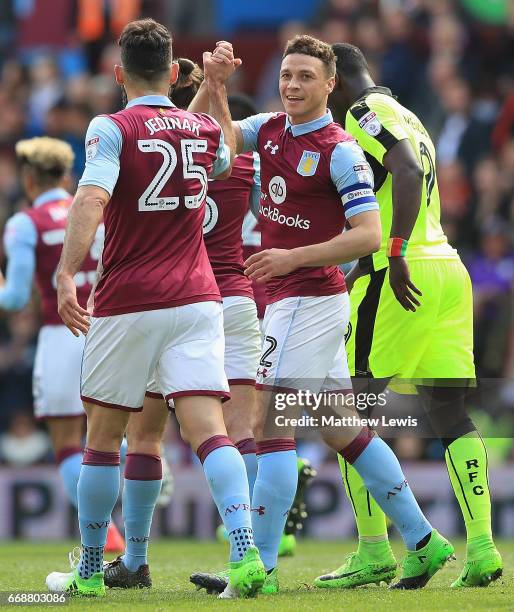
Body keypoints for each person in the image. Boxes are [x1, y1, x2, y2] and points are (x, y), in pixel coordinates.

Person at [189, 34, 454, 593]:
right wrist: (215, 85)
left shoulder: (340, 149)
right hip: (296, 300)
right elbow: (220, 145)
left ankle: (258, 567)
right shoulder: (268, 129)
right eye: (287, 75)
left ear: (330, 85)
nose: (292, 85)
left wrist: (290, 256)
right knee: (342, 430)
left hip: (309, 299)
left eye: (306, 77)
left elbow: (368, 235)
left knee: (269, 426)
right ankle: (425, 540)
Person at [45, 19, 265, 599]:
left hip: (128, 298)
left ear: (118, 73)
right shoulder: (197, 127)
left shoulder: (110, 126)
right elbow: (223, 158)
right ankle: (245, 556)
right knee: (210, 434)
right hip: (197, 299)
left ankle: (91, 571)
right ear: (173, 71)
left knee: (102, 438)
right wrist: (214, 89)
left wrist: (67, 273)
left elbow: (92, 195)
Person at [314, 42, 502, 589]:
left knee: (346, 408)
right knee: (449, 414)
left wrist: (391, 252)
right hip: (448, 268)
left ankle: (375, 550)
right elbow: (410, 168)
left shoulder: (360, 112)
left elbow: (403, 167)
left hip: (403, 271)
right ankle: (484, 549)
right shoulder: (413, 114)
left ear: (337, 81)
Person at [101, 60, 263, 590]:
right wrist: (218, 87)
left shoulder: (139, 149)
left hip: (156, 295)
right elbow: (215, 144)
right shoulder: (235, 162)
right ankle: (251, 553)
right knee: (232, 435)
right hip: (223, 302)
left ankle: (133, 560)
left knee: (142, 437)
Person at [0, 137, 124, 551]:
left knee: (69, 442)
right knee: (110, 434)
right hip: (105, 330)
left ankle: (102, 531)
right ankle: (136, 457)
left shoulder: (24, 223)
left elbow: (15, 298)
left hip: (59, 333)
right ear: (67, 176)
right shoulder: (96, 212)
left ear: (29, 177)